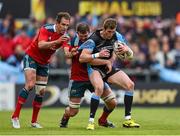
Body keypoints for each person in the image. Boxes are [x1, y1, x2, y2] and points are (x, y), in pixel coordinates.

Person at [11, 12, 72, 129]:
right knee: (30, 84)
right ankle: (15, 116)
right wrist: (57, 41)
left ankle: (34, 122)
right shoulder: (46, 29)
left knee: (41, 91)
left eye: (67, 25)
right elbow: (41, 45)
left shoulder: (65, 36)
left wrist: (72, 53)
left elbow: (66, 53)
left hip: (44, 63)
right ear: (57, 23)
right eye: (63, 24)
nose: (65, 27)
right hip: (31, 57)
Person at [79, 18, 140, 129]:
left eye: (113, 31)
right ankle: (91, 122)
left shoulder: (117, 36)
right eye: (109, 32)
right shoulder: (93, 39)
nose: (111, 34)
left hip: (108, 68)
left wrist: (126, 49)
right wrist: (99, 55)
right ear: (104, 29)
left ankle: (127, 120)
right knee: (99, 88)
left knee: (130, 85)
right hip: (94, 68)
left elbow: (129, 57)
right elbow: (82, 58)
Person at [60, 22, 117, 130]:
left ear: (89, 32)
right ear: (77, 33)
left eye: (86, 36)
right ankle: (65, 116)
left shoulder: (94, 39)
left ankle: (103, 120)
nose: (84, 38)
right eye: (81, 36)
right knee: (73, 112)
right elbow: (67, 54)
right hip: (78, 78)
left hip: (95, 74)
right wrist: (71, 53)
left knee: (112, 102)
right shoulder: (72, 40)